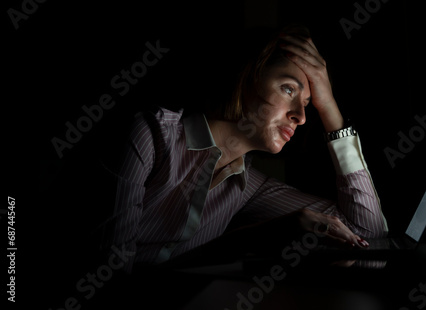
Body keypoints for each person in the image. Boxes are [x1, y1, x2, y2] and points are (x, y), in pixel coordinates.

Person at [101, 24, 388, 273]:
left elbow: (368, 235)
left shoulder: (247, 187)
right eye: (288, 89)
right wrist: (248, 238)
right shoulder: (149, 137)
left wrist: (329, 108)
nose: (300, 117)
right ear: (247, 76)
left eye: (309, 103)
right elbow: (111, 282)